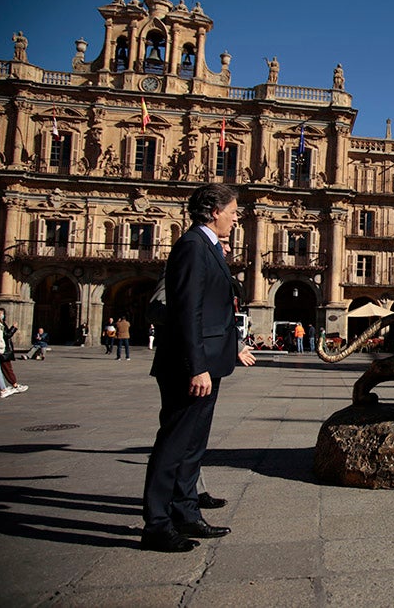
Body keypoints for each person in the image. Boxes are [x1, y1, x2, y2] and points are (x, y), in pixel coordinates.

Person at [141, 183, 255, 553]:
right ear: (213, 212)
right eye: (233, 211)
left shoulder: (206, 247)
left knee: (192, 444)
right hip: (190, 366)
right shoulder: (192, 247)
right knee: (173, 445)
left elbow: (213, 310)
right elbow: (187, 311)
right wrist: (196, 367)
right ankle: (156, 523)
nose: (237, 218)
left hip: (208, 361)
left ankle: (186, 511)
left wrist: (229, 349)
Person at [0, 311, 27, 397]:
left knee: (2, 370)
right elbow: (5, 336)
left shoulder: (1, 324)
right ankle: (12, 386)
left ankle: (7, 387)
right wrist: (13, 328)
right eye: (1, 314)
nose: (3, 315)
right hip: (2, 351)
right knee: (4, 369)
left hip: (2, 350)